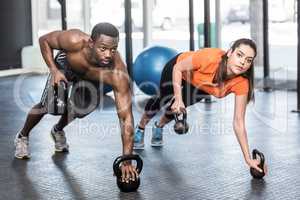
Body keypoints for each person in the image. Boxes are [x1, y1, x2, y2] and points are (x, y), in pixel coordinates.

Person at [14, 22, 139, 180]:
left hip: (91, 79)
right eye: (103, 48)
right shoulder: (74, 40)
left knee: (78, 111)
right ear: (91, 43)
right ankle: (22, 136)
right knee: (51, 105)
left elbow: (126, 117)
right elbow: (44, 40)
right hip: (65, 66)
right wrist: (54, 71)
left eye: (113, 49)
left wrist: (127, 159)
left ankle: (57, 130)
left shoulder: (117, 72)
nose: (108, 54)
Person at [134, 38, 267, 173]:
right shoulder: (209, 57)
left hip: (201, 87)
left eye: (248, 60)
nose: (243, 62)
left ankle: (159, 126)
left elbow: (239, 122)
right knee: (162, 99)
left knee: (177, 108)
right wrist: (178, 97)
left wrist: (248, 158)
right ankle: (140, 128)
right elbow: (178, 68)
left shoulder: (241, 83)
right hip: (179, 68)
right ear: (229, 53)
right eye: (239, 55)